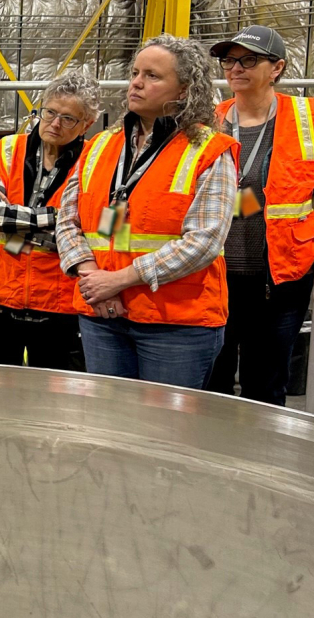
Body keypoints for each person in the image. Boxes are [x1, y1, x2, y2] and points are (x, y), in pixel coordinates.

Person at [55, 35, 239, 389]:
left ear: (183, 90)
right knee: (110, 424)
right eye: (136, 73)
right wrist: (93, 275)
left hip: (175, 325)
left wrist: (120, 279)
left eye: (153, 76)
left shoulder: (210, 150)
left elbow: (203, 242)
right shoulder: (101, 145)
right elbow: (68, 219)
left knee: (163, 433)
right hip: (104, 314)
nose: (136, 82)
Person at [205, 26, 314, 405]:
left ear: (277, 67)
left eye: (249, 59)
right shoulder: (205, 123)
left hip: (281, 279)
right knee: (211, 379)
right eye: (229, 60)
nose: (235, 68)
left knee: (265, 384)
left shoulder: (313, 124)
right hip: (212, 275)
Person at [0, 68, 100, 371]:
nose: (54, 123)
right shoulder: (8, 150)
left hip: (59, 306)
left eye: (67, 118)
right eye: (49, 112)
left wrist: (20, 225)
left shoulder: (98, 162)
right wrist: (56, 218)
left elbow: (101, 232)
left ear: (87, 124)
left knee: (54, 400)